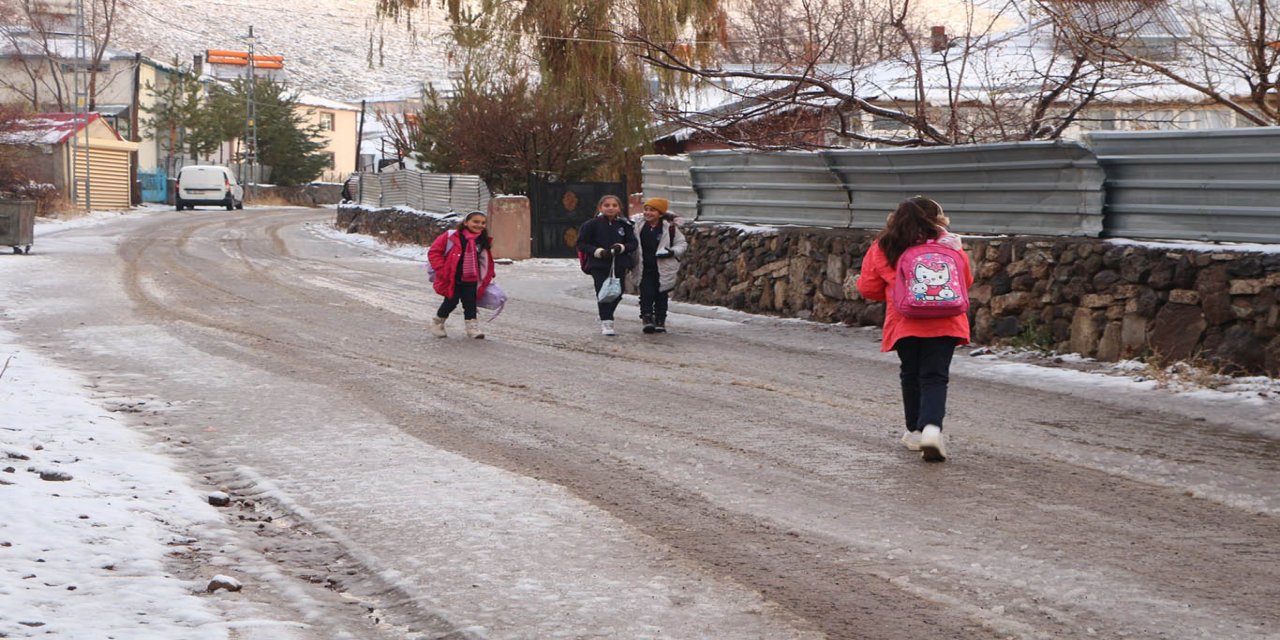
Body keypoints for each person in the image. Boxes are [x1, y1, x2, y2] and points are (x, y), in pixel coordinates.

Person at [856, 196, 972, 462]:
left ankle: (915, 431)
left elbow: (869, 287)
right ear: (937, 218)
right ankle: (932, 428)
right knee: (935, 376)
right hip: (945, 321)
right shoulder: (949, 244)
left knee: (911, 374)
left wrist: (896, 289)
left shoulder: (885, 245)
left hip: (904, 321)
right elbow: (965, 281)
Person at [427, 211, 496, 339]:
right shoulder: (451, 236)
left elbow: (485, 259)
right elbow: (434, 252)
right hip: (452, 276)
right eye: (475, 222)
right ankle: (438, 322)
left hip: (471, 277)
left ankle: (472, 328)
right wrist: (442, 270)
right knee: (451, 301)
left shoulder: (482, 240)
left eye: (483, 223)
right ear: (466, 222)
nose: (479, 225)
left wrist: (489, 274)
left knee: (470, 302)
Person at [576, 195, 637, 336]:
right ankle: (607, 321)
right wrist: (598, 251)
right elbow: (582, 244)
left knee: (618, 292)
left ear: (619, 208)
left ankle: (604, 313)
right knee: (603, 292)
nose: (611, 208)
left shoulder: (625, 225)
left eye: (614, 205)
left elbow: (633, 243)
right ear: (600, 207)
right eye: (607, 205)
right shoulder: (591, 225)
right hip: (598, 264)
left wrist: (621, 247)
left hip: (619, 263)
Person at [626, 197, 687, 334]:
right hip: (643, 267)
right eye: (646, 209)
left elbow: (681, 244)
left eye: (652, 210)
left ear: (660, 213)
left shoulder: (669, 228)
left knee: (661, 294)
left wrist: (671, 251)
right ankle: (647, 318)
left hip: (663, 267)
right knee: (646, 293)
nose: (648, 213)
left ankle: (660, 319)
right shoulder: (638, 226)